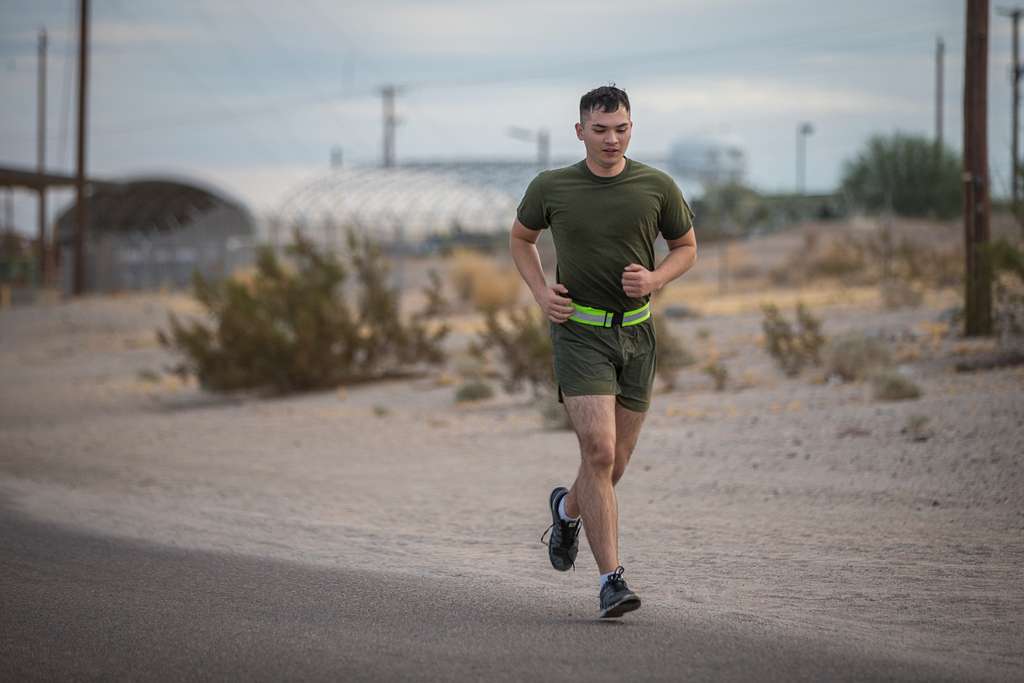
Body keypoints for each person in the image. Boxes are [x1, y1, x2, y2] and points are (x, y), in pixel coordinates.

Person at [509, 84, 698, 618]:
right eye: (600, 130)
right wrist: (542, 292)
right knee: (598, 453)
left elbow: (687, 248)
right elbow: (520, 239)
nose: (611, 139)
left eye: (621, 128)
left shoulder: (656, 186)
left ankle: (567, 510)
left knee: (610, 470)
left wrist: (656, 277)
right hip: (580, 333)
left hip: (637, 336)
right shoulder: (552, 187)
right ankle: (612, 580)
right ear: (580, 132)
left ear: (631, 128)